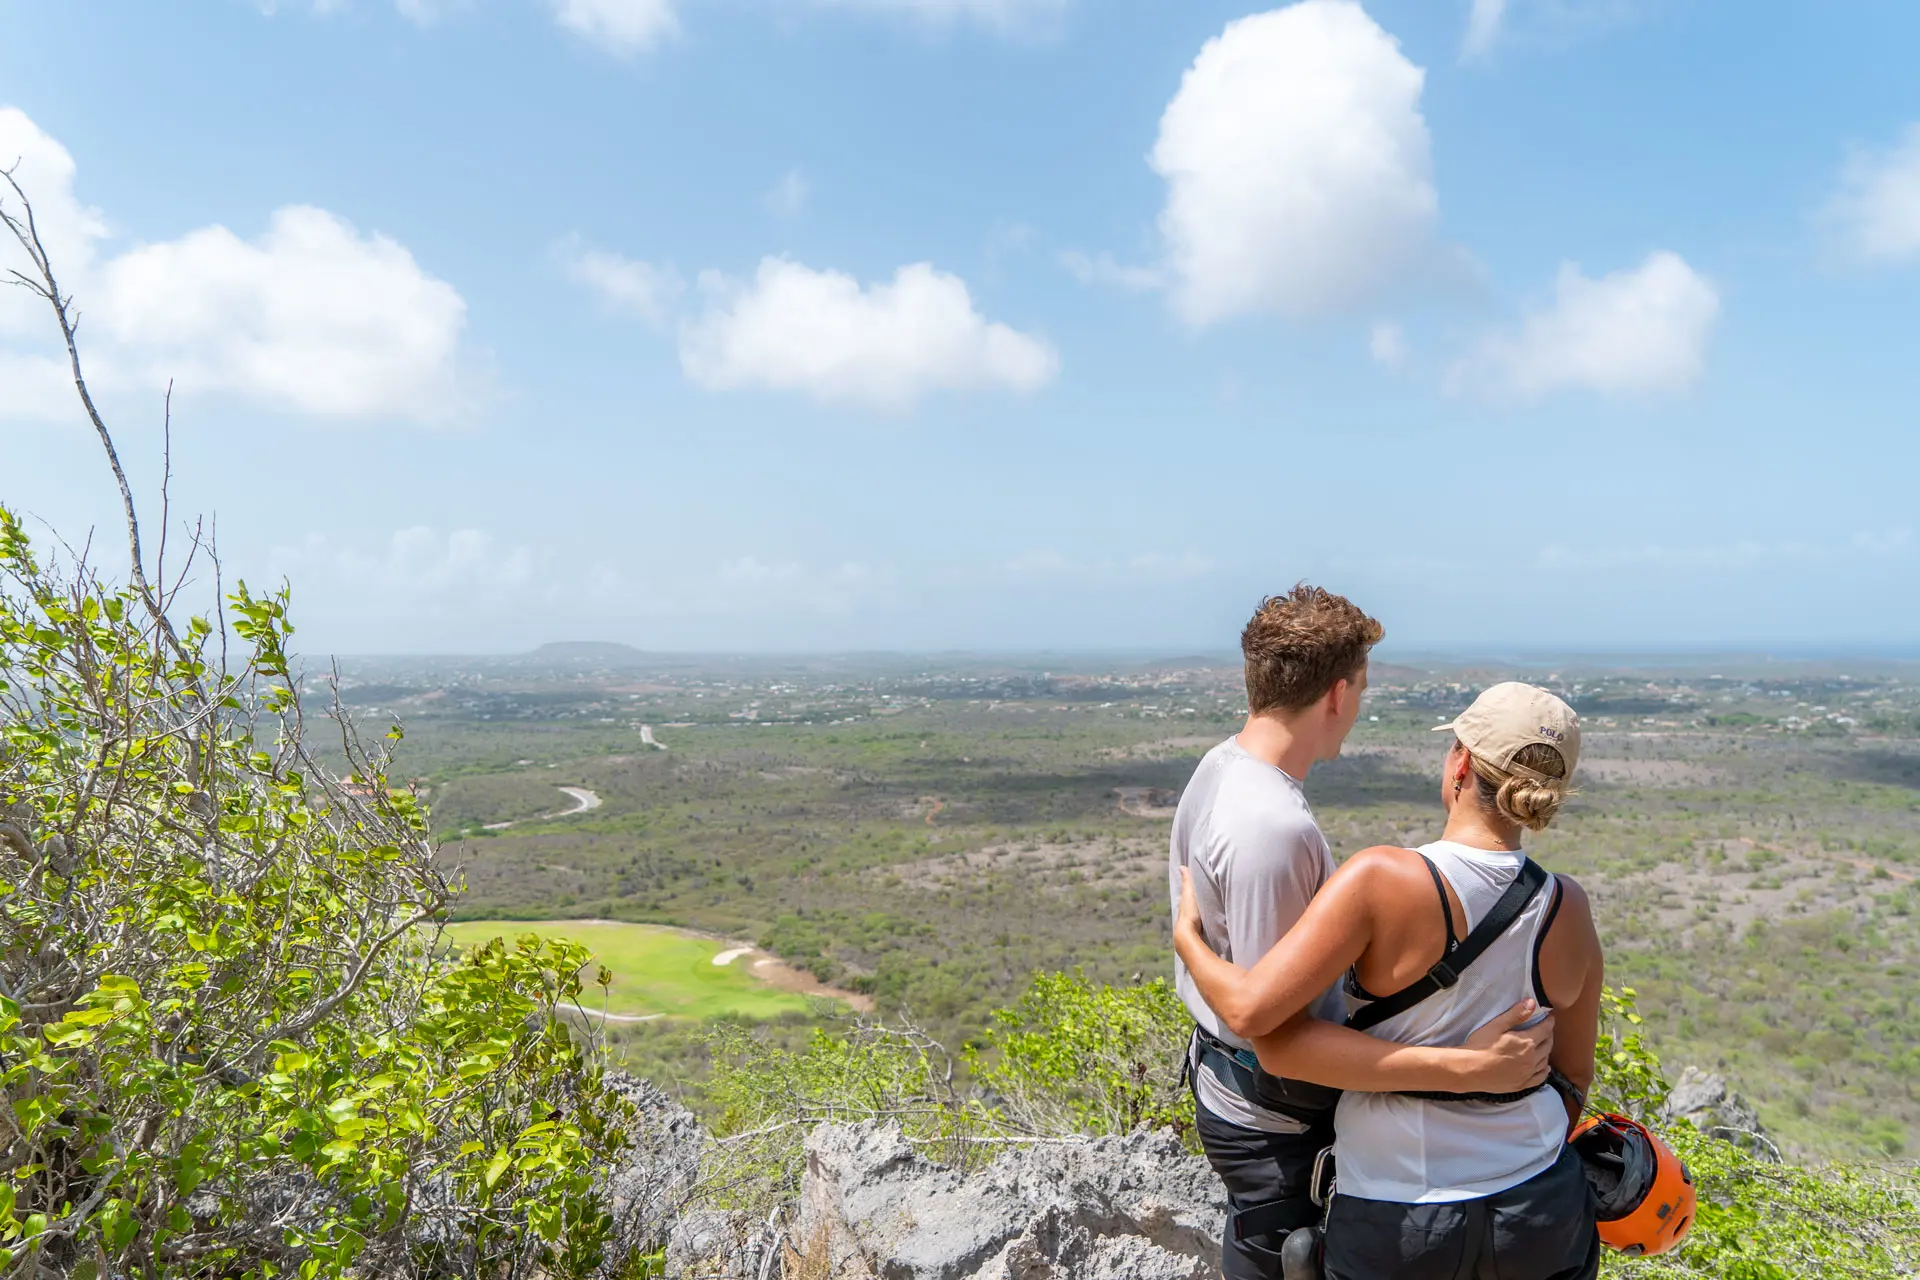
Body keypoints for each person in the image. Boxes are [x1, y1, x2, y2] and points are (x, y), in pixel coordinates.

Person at [1172, 591, 1558, 1280]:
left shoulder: (1222, 767)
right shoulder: (1273, 827)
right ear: (1337, 693)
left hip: (1235, 1086)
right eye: (1364, 686)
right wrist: (1466, 1068)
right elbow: (1271, 1032)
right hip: (1276, 1117)